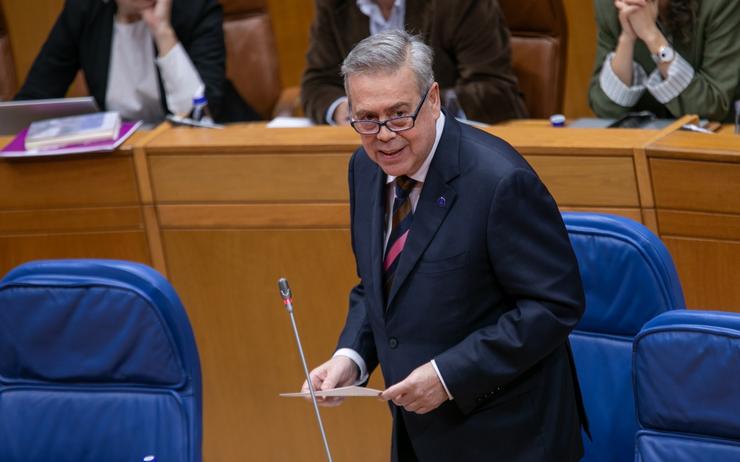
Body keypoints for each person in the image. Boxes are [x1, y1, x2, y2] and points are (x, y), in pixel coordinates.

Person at [302, 30, 587, 461]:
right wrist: (352, 358)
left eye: (400, 114)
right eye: (366, 119)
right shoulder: (365, 168)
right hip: (420, 436)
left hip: (510, 438)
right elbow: (379, 286)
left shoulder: (498, 181)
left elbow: (554, 306)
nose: (384, 136)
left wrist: (448, 375)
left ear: (433, 98)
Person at [15, 0, 258, 123]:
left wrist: (161, 29)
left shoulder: (197, 8)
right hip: (123, 160)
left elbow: (200, 115)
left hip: (204, 153)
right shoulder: (85, 10)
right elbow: (34, 100)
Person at [301, 0, 527, 126]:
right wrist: (348, 111)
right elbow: (317, 83)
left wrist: (416, 110)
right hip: (365, 146)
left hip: (450, 150)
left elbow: (496, 90)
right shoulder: (333, 5)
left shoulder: (460, 4)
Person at [589, 0, 740, 122]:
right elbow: (604, 108)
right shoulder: (609, 5)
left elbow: (712, 106)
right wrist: (627, 38)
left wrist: (651, 36)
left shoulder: (720, 4)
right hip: (642, 144)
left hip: (713, 145)